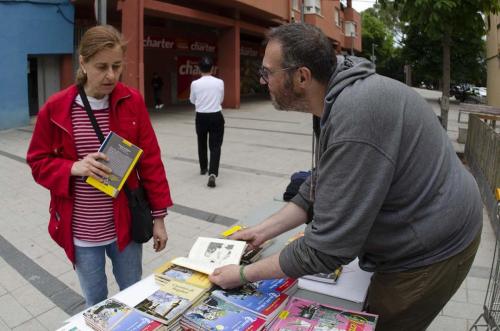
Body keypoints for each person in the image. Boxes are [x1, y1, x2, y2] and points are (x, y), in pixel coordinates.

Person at [209, 23, 482, 331]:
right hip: (428, 220)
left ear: (301, 77)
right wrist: (262, 231)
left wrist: (244, 274)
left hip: (433, 248)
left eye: (268, 72)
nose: (263, 80)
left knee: (380, 322)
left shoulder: (356, 114)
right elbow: (322, 180)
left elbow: (325, 250)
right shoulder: (340, 93)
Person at [26, 25, 173, 307]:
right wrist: (72, 168)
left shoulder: (132, 102)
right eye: (101, 66)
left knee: (133, 294)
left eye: (117, 66)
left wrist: (159, 218)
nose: (110, 75)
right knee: (96, 301)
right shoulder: (56, 108)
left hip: (126, 224)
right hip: (81, 229)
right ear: (83, 62)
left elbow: (151, 161)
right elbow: (37, 161)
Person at [189, 56, 225, 188]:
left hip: (201, 116)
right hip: (216, 115)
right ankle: (213, 173)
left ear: (199, 68)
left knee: (201, 142)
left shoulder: (195, 84)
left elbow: (192, 100)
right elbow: (221, 99)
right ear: (212, 68)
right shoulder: (220, 82)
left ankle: (203, 168)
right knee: (215, 146)